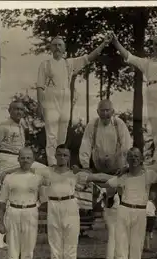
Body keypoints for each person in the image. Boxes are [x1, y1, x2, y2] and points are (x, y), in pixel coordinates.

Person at [36, 33, 113, 166]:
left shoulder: (69, 63)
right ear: (50, 48)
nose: (57, 48)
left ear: (64, 48)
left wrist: (104, 44)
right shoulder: (45, 65)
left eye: (60, 45)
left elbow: (88, 58)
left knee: (62, 133)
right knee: (51, 133)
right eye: (54, 45)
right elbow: (40, 87)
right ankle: (52, 163)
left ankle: (61, 162)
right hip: (51, 99)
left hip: (65, 99)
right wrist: (40, 105)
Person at [112, 33, 157, 162]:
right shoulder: (147, 63)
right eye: (155, 44)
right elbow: (129, 57)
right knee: (155, 128)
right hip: (152, 95)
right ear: (152, 46)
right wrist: (116, 42)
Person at [34, 144, 92, 259]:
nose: (62, 158)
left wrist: (80, 170)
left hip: (70, 206)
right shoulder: (48, 172)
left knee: (70, 247)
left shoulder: (74, 173)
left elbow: (90, 177)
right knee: (55, 247)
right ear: (55, 155)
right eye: (59, 154)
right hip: (53, 206)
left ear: (69, 157)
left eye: (65, 155)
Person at [0, 147, 46, 259]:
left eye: (28, 158)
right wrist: (0, 222)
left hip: (30, 212)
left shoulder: (38, 178)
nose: (25, 160)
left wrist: (38, 213)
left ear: (33, 160)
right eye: (23, 158)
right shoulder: (9, 178)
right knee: (13, 250)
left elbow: (43, 201)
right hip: (13, 212)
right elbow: (2, 203)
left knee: (28, 250)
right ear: (18, 159)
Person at [79, 99, 133, 175]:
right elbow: (85, 146)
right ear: (97, 112)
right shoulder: (92, 125)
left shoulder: (119, 124)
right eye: (102, 110)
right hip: (98, 170)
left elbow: (126, 146)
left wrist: (125, 166)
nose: (105, 113)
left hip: (118, 170)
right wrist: (85, 166)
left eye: (107, 110)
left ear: (112, 111)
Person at [103, 188, 120, 259]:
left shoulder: (108, 194)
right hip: (114, 215)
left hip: (109, 214)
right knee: (113, 237)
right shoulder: (116, 196)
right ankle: (111, 258)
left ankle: (111, 257)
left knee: (112, 237)